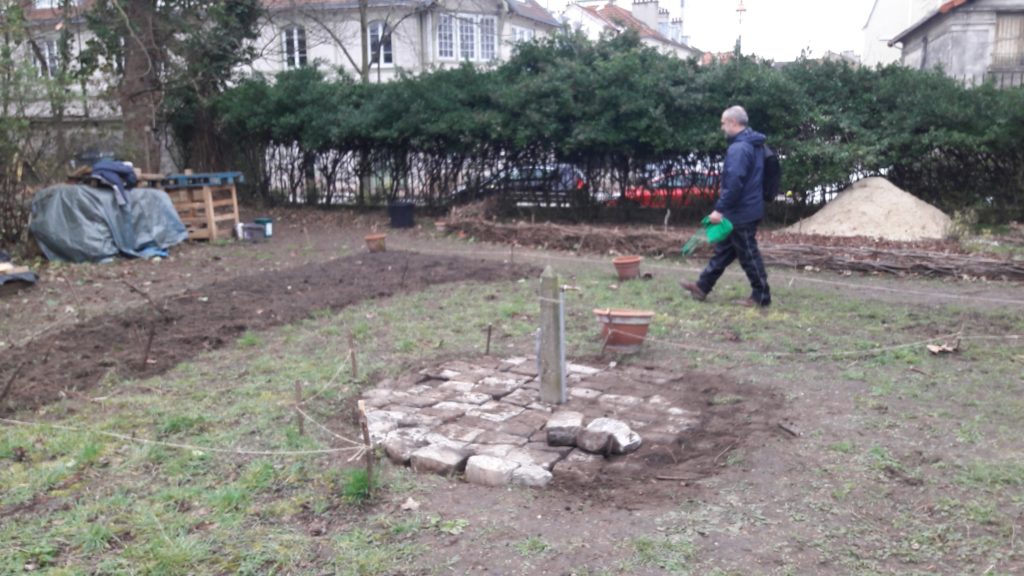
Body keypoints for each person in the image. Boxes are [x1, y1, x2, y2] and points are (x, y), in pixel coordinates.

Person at [681, 105, 771, 307]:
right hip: (745, 207)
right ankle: (702, 287)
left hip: (742, 211)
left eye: (723, 123)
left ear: (733, 122)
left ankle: (761, 296)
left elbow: (734, 182)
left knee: (748, 254)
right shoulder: (754, 143)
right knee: (724, 251)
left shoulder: (739, 148)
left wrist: (719, 210)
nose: (722, 127)